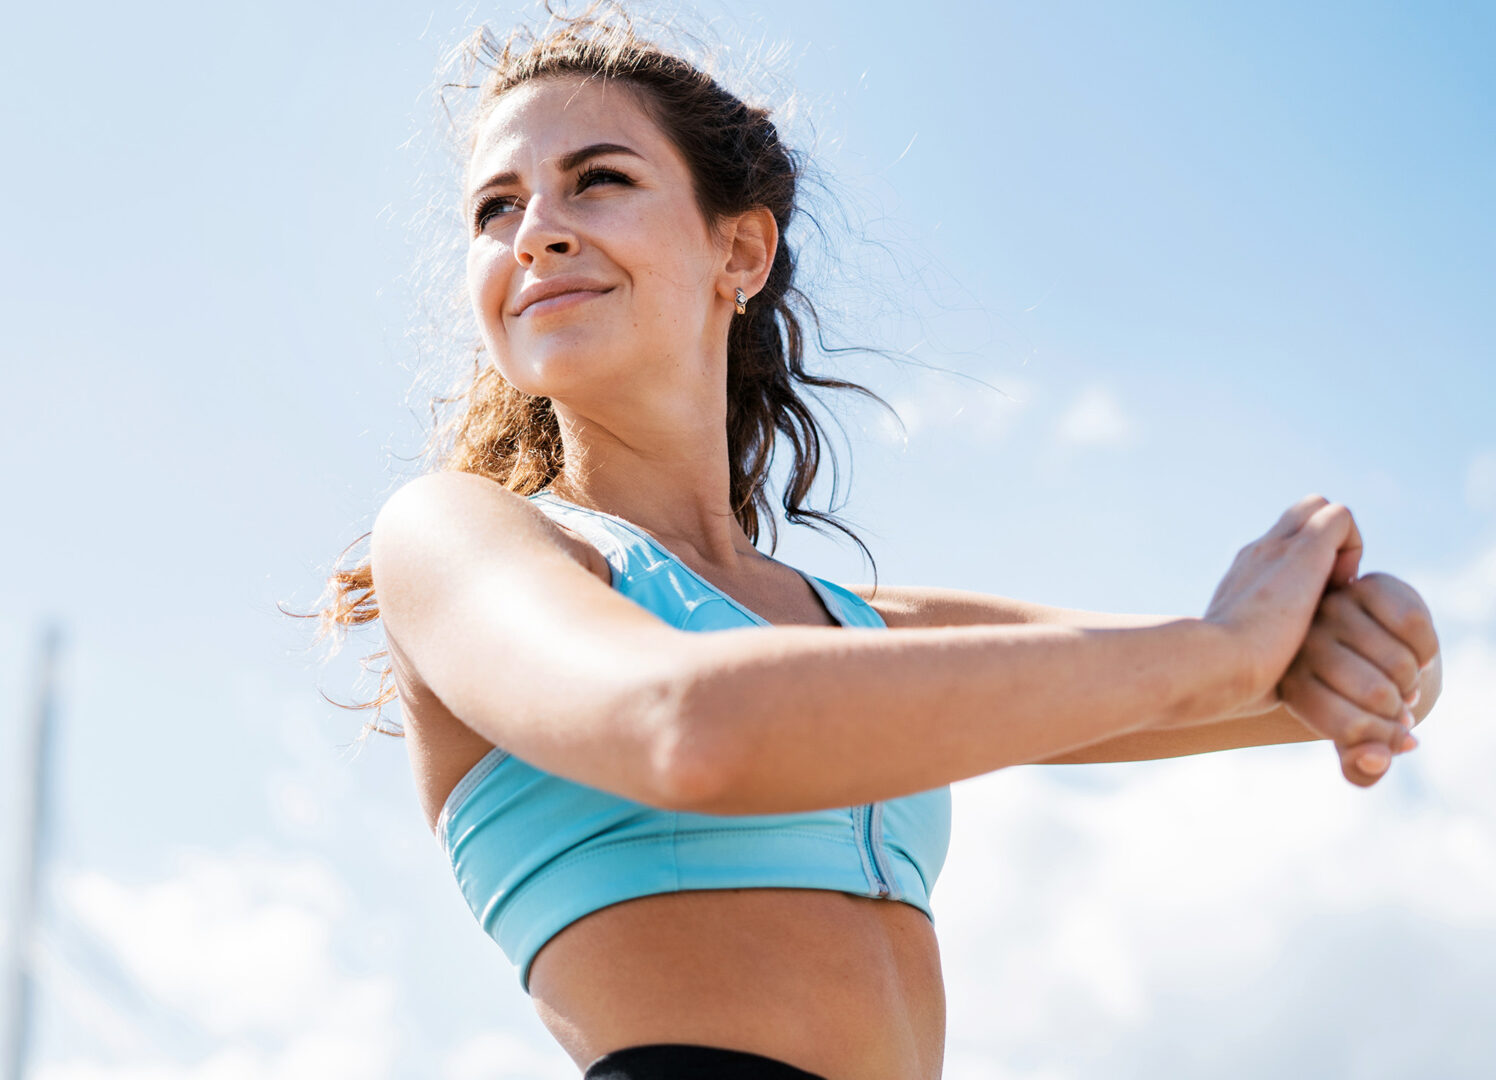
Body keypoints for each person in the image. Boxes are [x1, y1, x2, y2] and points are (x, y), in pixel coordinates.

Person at [300, 5, 1445, 1077]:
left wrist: (1379, 641)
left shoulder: (856, 628)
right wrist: (1221, 655)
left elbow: (1267, 680)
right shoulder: (452, 535)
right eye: (494, 209)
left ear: (739, 254)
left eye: (596, 181)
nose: (536, 232)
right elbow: (687, 724)